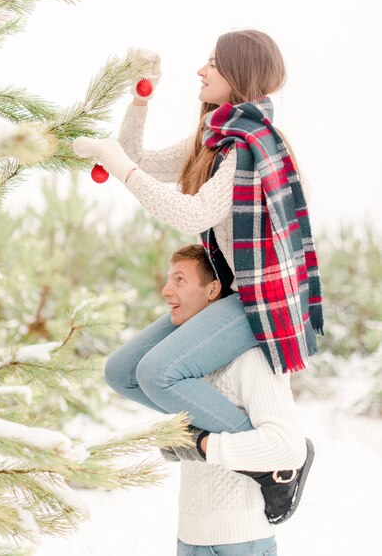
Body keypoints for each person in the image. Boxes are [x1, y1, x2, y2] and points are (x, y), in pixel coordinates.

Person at [72, 29, 323, 517]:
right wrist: (140, 98)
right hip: (232, 293)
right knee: (122, 372)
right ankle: (224, 439)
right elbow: (140, 159)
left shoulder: (250, 148)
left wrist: (118, 166)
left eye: (213, 63)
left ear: (239, 74)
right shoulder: (215, 138)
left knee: (157, 373)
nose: (201, 71)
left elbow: (192, 214)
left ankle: (274, 463)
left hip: (260, 300)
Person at [161, 244, 310, 556]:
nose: (165, 290)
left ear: (214, 288)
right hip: (188, 541)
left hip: (240, 544)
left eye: (179, 280)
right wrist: (172, 439)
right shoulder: (186, 365)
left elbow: (287, 446)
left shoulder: (251, 357)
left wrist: (202, 445)